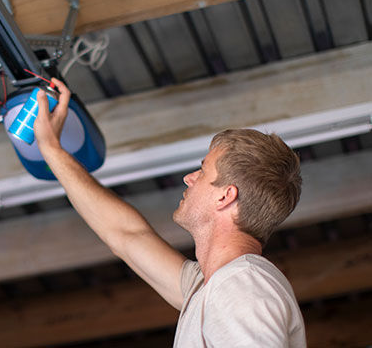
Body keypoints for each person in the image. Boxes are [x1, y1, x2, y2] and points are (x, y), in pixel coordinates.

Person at [33, 78, 306, 347]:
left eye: (203, 171)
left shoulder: (241, 286)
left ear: (225, 196)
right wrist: (51, 149)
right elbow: (127, 236)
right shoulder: (208, 285)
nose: (189, 178)